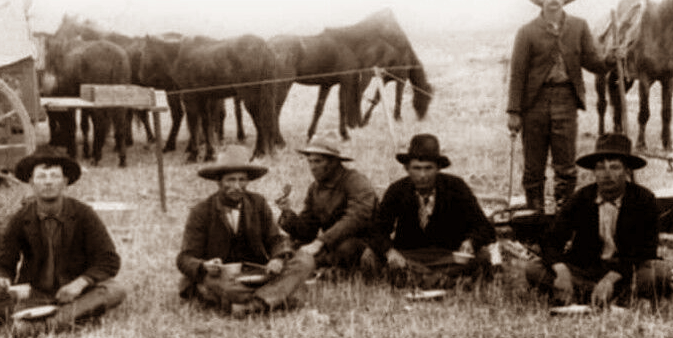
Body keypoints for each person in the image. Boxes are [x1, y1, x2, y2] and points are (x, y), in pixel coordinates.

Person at [0, 146, 126, 335]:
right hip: (34, 296)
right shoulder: (20, 218)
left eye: (54, 176)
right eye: (42, 177)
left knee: (115, 290)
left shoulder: (83, 214)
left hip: (77, 295)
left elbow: (108, 260)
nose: (48, 182)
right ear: (31, 183)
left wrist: (80, 283)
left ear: (65, 182)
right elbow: (2, 263)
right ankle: (69, 319)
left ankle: (41, 326)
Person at [524, 133, 673, 306]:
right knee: (533, 268)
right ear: (594, 171)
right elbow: (552, 240)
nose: (607, 174)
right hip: (587, 269)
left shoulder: (644, 200)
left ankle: (590, 294)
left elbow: (645, 251)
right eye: (600, 167)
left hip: (626, 271)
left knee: (658, 272)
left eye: (614, 167)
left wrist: (610, 280)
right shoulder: (581, 198)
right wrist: (562, 272)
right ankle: (616, 297)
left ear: (627, 171)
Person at [507, 0, 606, 212]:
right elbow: (517, 73)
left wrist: (612, 60)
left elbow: (592, 61)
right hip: (534, 104)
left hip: (566, 100)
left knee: (566, 164)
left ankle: (564, 212)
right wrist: (514, 111)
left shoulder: (579, 27)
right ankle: (535, 212)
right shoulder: (527, 31)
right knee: (534, 164)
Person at [176, 146, 316, 317]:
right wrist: (204, 266)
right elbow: (184, 258)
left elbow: (275, 239)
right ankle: (278, 297)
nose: (237, 186)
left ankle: (252, 306)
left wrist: (277, 258)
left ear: (248, 181)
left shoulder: (258, 203)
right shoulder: (201, 211)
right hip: (222, 278)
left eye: (242, 180)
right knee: (294, 293)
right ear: (218, 182)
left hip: (256, 274)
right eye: (230, 180)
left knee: (305, 260)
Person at [370, 133, 497, 289]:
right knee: (369, 258)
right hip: (409, 257)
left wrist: (471, 241)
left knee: (483, 256)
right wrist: (390, 252)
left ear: (438, 168)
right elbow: (377, 230)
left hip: (448, 257)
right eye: (417, 168)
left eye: (428, 168)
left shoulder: (456, 187)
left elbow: (485, 228)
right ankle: (443, 282)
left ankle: (420, 281)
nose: (423, 175)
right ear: (407, 168)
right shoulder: (397, 190)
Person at [276, 137, 379, 273]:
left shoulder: (355, 180)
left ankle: (321, 267)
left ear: (334, 162)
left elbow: (356, 218)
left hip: (363, 241)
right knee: (289, 246)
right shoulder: (315, 188)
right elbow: (308, 230)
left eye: (318, 161)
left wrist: (321, 242)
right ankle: (318, 266)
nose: (312, 167)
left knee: (346, 249)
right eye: (310, 162)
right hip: (330, 243)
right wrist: (288, 213)